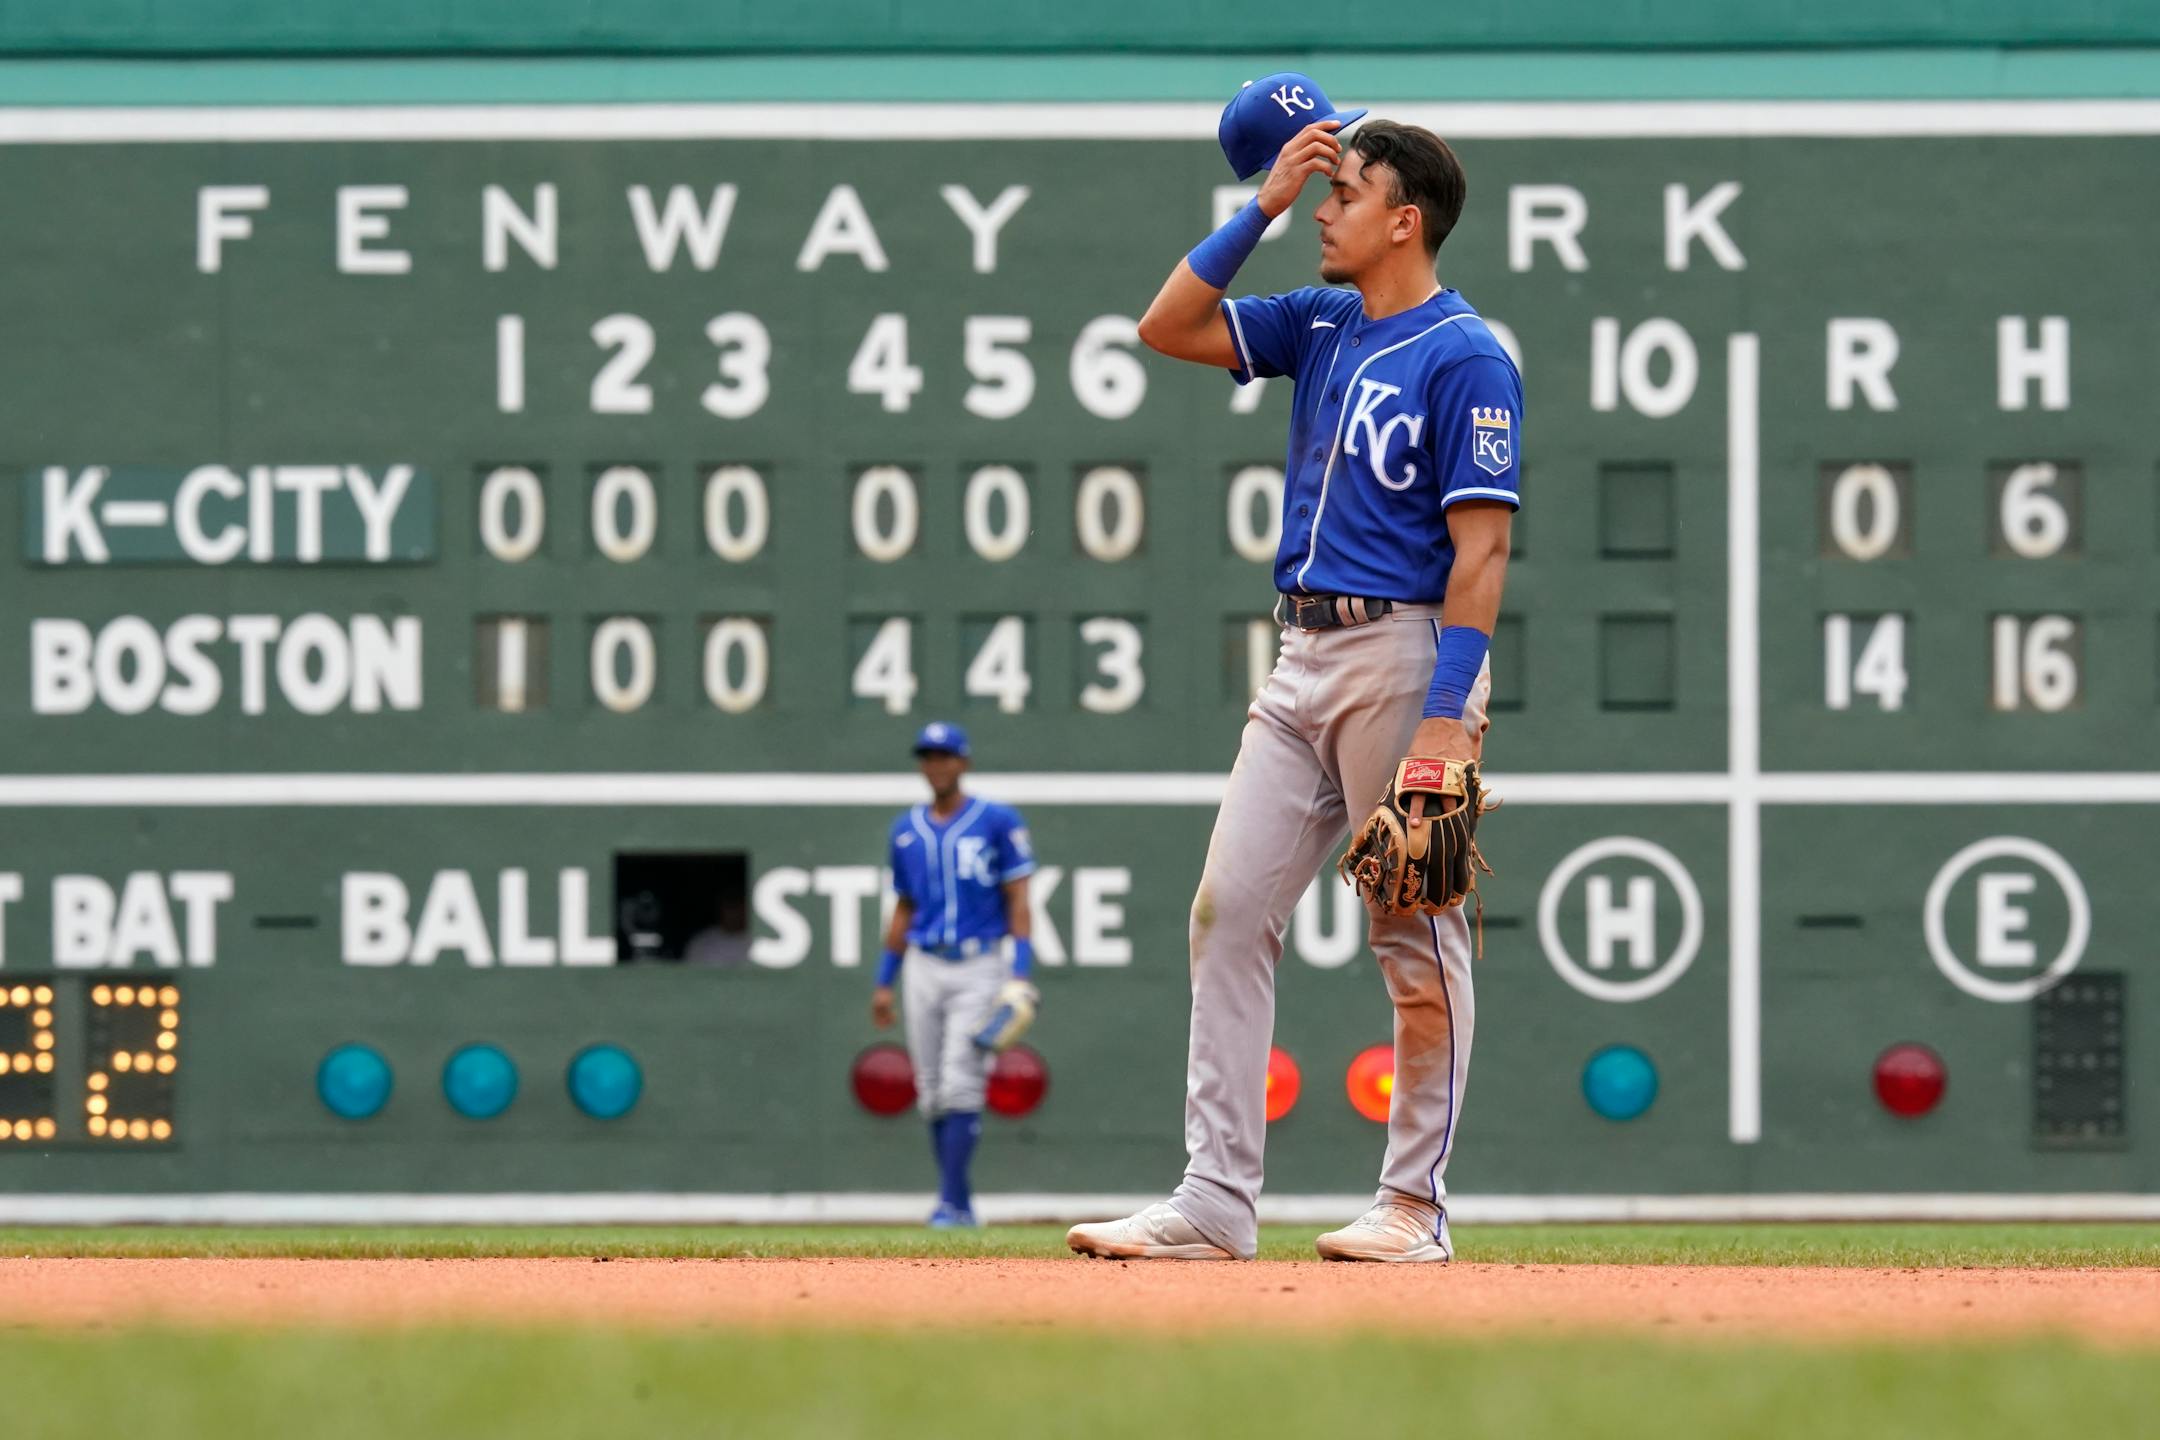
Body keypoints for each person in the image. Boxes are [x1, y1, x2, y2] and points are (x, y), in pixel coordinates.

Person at [1067, 80, 1519, 1263]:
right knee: (1225, 917)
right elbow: (1165, 324)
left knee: (1413, 933)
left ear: (1406, 217)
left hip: (1404, 652)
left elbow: (1483, 553)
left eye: (1346, 192)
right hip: (1300, 654)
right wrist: (1256, 204)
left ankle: (1414, 1209)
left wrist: (1449, 724)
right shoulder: (1319, 324)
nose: (1325, 209)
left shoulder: (1466, 354)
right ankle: (1215, 1203)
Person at [873, 721, 1038, 1228]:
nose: (936, 764)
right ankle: (959, 1202)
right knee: (929, 1087)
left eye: (945, 755)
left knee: (961, 1081)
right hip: (923, 962)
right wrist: (884, 979)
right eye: (928, 756)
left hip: (979, 962)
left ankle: (949, 1203)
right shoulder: (905, 831)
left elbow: (1019, 900)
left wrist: (1020, 971)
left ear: (963, 762)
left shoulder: (996, 820)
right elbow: (903, 908)